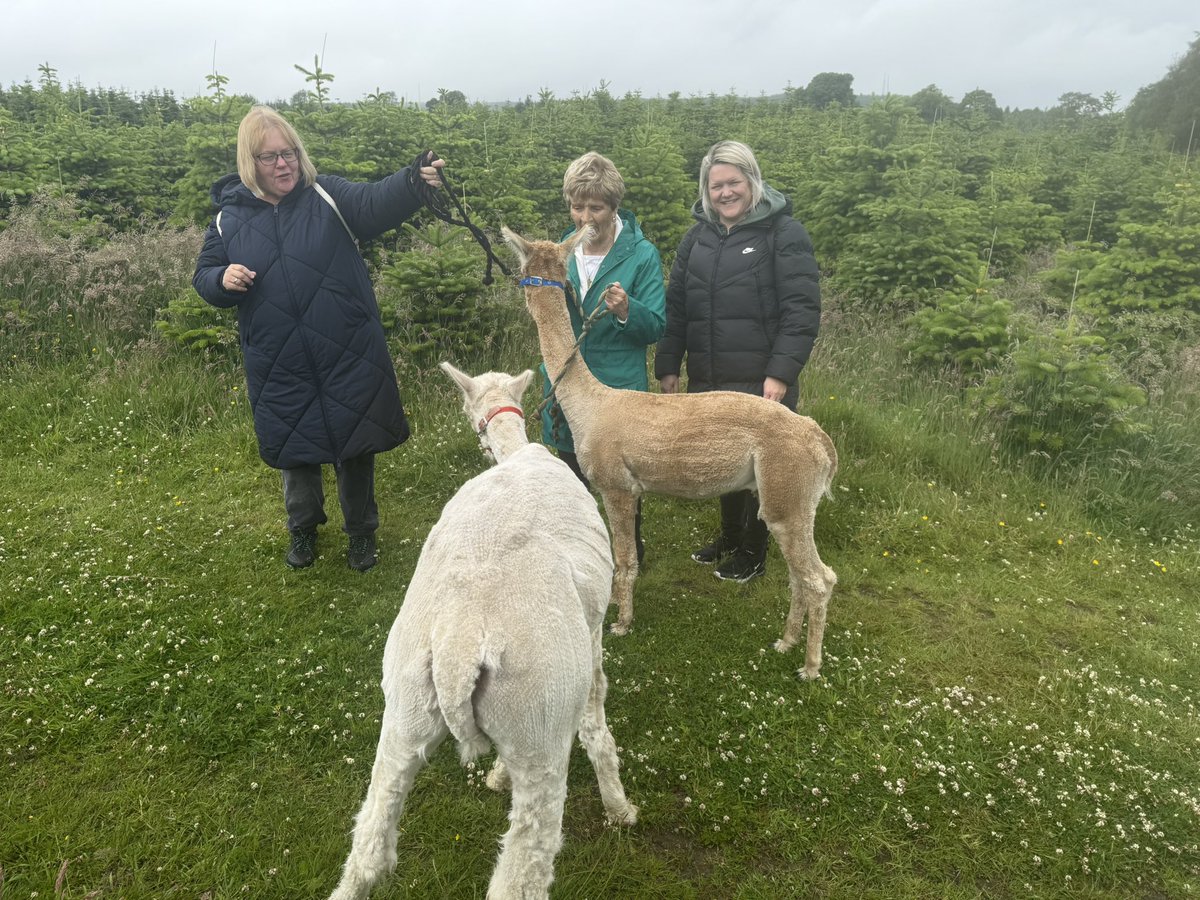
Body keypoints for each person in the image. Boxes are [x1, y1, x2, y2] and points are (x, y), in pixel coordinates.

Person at [192, 105, 445, 572]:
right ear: (250, 162)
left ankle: (361, 534)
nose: (283, 164)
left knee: (356, 446)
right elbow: (204, 275)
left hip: (345, 349)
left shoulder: (325, 194)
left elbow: (374, 202)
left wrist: (413, 180)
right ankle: (303, 529)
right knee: (296, 452)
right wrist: (221, 278)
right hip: (278, 360)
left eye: (289, 152)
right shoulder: (229, 219)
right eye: (269, 157)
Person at [655, 140, 821, 583]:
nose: (725, 194)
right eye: (716, 187)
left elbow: (801, 311)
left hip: (762, 377)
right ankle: (730, 536)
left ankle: (754, 549)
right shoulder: (698, 239)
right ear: (706, 191)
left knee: (764, 469)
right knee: (721, 459)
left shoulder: (784, 235)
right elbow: (678, 310)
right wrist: (669, 366)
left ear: (752, 181)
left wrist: (780, 374)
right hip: (709, 377)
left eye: (733, 183)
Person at [542, 152, 666, 563]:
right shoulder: (560, 251)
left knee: (620, 480)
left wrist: (628, 310)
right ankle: (578, 555)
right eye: (577, 206)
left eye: (595, 207)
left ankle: (629, 554)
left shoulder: (641, 255)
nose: (584, 218)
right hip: (567, 384)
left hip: (617, 387)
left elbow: (656, 327)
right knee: (569, 474)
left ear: (614, 207)